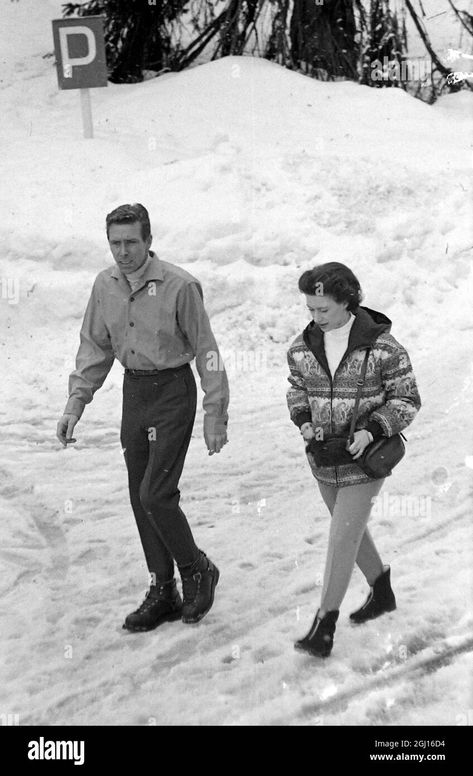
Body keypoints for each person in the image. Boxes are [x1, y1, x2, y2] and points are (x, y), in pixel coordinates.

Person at [56, 203, 229, 631]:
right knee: (139, 494)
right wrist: (75, 404)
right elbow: (94, 348)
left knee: (156, 493)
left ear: (149, 241)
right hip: (135, 393)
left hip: (172, 391)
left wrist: (215, 413)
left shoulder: (179, 286)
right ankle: (162, 588)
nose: (123, 251)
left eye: (131, 242)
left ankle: (196, 569)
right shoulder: (105, 285)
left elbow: (207, 351)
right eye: (115, 243)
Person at [286, 262, 421, 658]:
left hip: (367, 460)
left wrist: (373, 429)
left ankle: (323, 626)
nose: (315, 318)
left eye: (323, 309)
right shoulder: (301, 348)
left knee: (342, 536)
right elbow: (296, 390)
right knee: (351, 530)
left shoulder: (383, 348)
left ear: (347, 300)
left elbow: (408, 399)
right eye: (310, 309)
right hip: (323, 460)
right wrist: (304, 421)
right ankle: (381, 590)